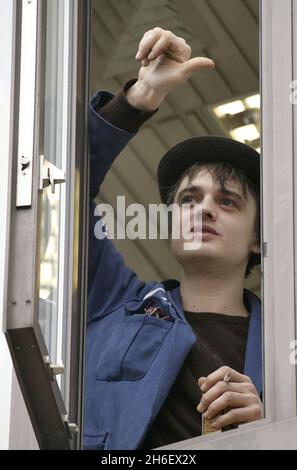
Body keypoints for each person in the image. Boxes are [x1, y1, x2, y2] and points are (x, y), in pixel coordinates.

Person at [85, 27, 263, 450]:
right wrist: (141, 96)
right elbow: (59, 191)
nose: (203, 209)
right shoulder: (112, 303)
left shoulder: (286, 351)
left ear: (258, 239)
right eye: (188, 199)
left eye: (228, 202)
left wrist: (273, 425)